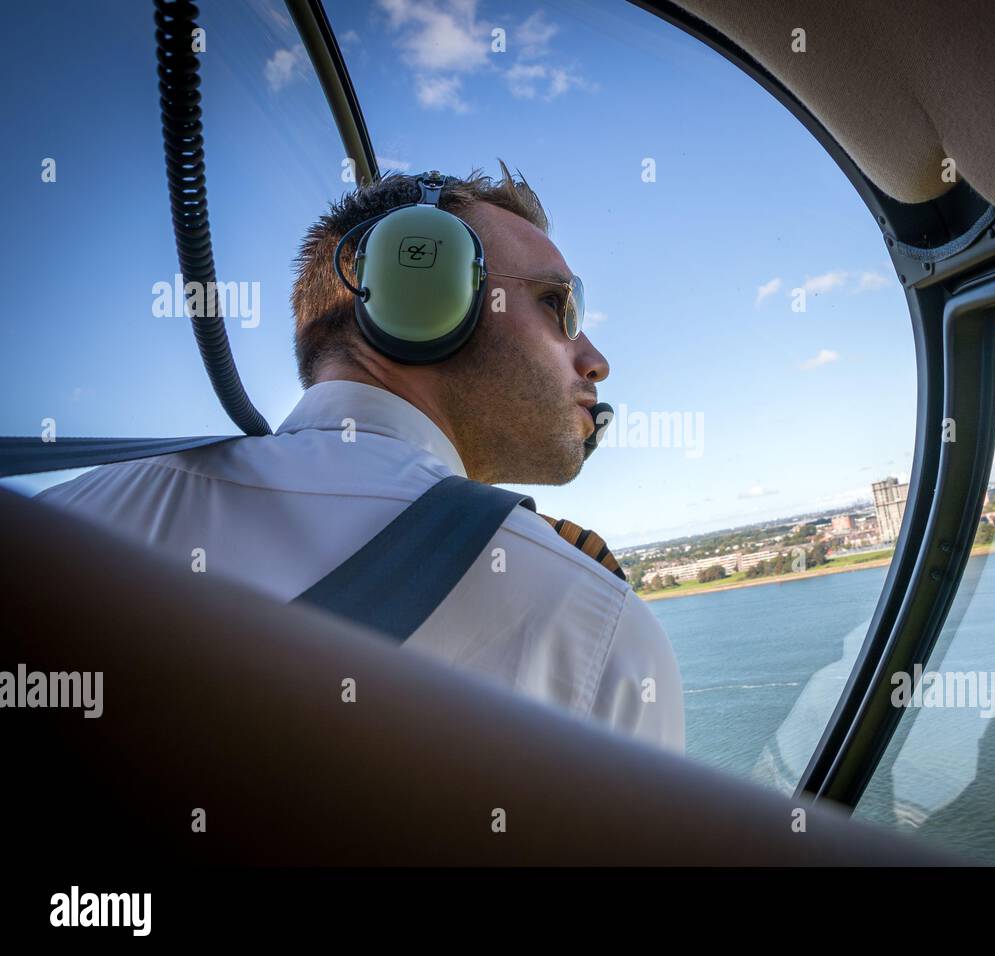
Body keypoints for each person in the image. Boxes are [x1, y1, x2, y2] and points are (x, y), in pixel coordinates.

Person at [35, 161, 685, 754]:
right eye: (556, 304)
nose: (596, 359)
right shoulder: (593, 628)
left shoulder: (65, 522)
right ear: (418, 291)